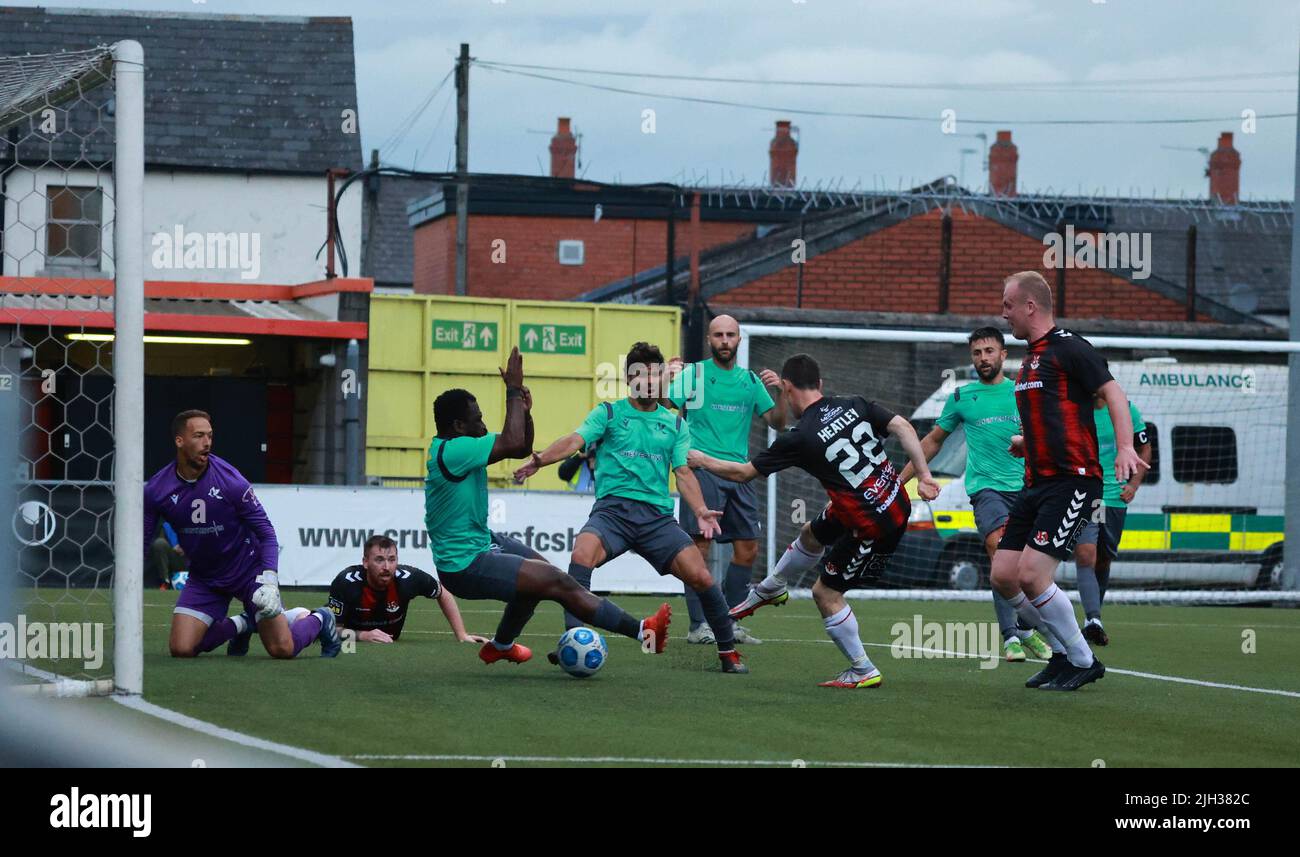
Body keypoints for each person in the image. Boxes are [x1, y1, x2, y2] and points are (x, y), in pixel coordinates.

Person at [689, 353, 941, 689]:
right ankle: (772, 587)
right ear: (820, 384)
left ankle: (862, 668)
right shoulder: (854, 402)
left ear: (788, 388)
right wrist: (922, 475)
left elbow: (743, 473)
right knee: (811, 533)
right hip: (889, 496)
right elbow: (902, 426)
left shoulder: (799, 436)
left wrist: (702, 459)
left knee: (825, 593)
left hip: (875, 523)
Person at [425, 347, 671, 668]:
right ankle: (643, 632)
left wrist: (525, 412)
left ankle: (500, 645)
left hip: (480, 542)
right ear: (458, 426)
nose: (484, 425)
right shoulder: (454, 451)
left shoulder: (459, 445)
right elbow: (513, 444)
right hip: (464, 563)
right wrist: (512, 389)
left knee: (541, 575)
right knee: (556, 582)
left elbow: (521, 444)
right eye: (478, 420)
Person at [514, 341, 749, 674]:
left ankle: (728, 653)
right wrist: (540, 459)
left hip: (656, 520)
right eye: (642, 376)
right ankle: (574, 637)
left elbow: (683, 473)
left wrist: (699, 509)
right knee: (581, 554)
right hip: (612, 514)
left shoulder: (676, 425)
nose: (650, 382)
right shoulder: (608, 413)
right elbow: (575, 440)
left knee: (700, 575)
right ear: (630, 379)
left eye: (655, 376)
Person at [991, 271, 1146, 691]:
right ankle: (1062, 654)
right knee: (1003, 575)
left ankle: (1081, 659)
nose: (1002, 314)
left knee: (1032, 574)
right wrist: (1029, 442)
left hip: (1074, 482)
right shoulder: (1030, 358)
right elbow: (1055, 414)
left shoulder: (1070, 347)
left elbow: (1113, 393)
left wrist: (1128, 448)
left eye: (1007, 305)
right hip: (1037, 481)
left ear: (1030, 306)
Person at [898, 327, 1053, 663]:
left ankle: (1027, 629)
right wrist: (900, 481)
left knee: (1028, 568)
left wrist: (1029, 443)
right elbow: (933, 441)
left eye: (989, 351)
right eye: (977, 353)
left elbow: (1045, 436)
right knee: (999, 550)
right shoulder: (962, 397)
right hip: (986, 490)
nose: (983, 358)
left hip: (1028, 490)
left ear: (1003, 355)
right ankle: (1013, 636)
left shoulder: (1022, 393)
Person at [144, 409, 340, 659]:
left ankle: (321, 619)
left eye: (210, 436)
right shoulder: (156, 489)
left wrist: (269, 582)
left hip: (248, 572)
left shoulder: (231, 481)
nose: (207, 443)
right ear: (179, 441)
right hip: (205, 577)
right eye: (199, 436)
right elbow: (141, 540)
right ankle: (244, 623)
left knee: (282, 649)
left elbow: (267, 534)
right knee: (182, 649)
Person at [664, 314, 785, 646]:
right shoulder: (695, 374)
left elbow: (777, 421)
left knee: (748, 549)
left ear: (739, 341)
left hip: (740, 473)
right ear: (709, 340)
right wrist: (667, 378)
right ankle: (698, 625)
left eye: (731, 335)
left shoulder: (750, 380)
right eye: (718, 335)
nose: (725, 340)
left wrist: (782, 393)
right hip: (702, 471)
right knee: (697, 551)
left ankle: (729, 623)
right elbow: (664, 405)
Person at [1073, 392, 1151, 645]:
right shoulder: (1075, 408)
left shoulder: (1125, 409)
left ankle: (1094, 618)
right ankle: (1093, 619)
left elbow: (1144, 448)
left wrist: (1133, 485)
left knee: (1103, 558)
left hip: (1115, 496)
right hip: (1087, 494)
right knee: (1086, 554)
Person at [325, 534, 488, 644]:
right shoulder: (345, 582)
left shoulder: (409, 578)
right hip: (353, 644)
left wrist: (462, 635)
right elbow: (334, 630)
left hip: (391, 643)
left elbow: (442, 593)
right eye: (379, 560)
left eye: (391, 559)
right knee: (314, 621)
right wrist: (363, 635)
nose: (386, 567)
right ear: (365, 562)